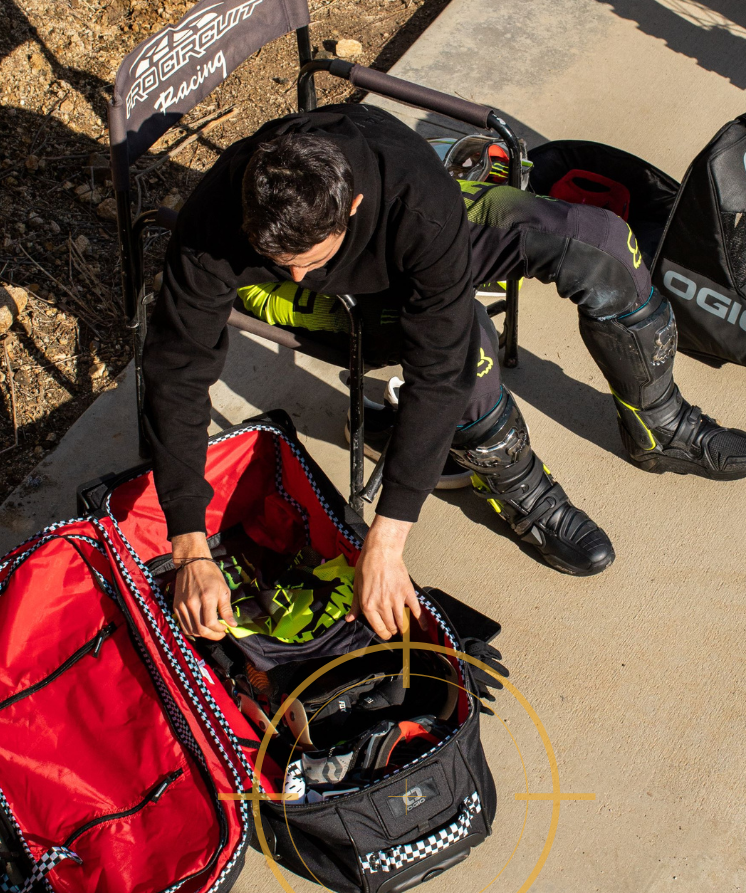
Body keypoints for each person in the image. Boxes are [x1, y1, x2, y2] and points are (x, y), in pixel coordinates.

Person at [142, 104, 746, 642]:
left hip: (410, 234)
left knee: (601, 241)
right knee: (469, 349)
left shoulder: (415, 201)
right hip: (330, 303)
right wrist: (189, 539)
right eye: (284, 261)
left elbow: (432, 365)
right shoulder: (218, 225)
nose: (298, 271)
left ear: (351, 205)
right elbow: (177, 370)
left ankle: (657, 424)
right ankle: (521, 494)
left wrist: (387, 538)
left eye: (310, 258)